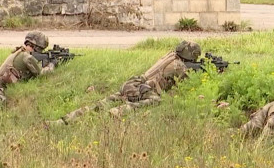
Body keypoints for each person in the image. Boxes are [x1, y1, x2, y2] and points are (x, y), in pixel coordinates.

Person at [47, 40, 201, 126]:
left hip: (133, 84)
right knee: (156, 101)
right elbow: (185, 87)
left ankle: (63, 121)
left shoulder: (168, 57)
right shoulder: (180, 67)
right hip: (145, 90)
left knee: (102, 103)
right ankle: (119, 111)